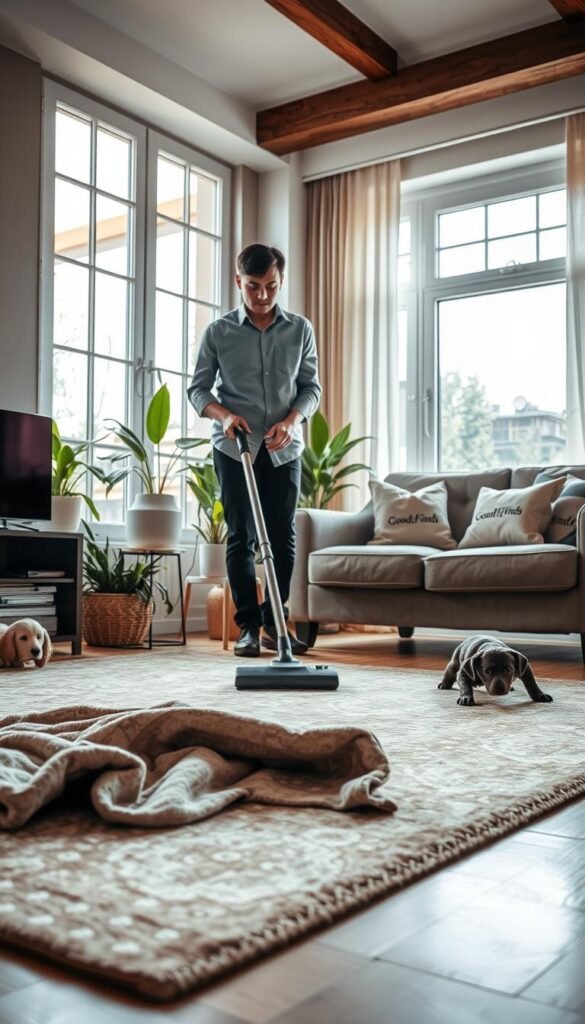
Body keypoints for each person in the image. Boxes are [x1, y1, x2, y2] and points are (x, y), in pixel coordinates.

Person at [188, 243, 322, 657]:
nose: (262, 295)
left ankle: (272, 622)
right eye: (253, 286)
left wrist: (292, 421)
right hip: (235, 449)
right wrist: (224, 416)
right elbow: (197, 390)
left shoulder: (300, 329)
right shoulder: (219, 332)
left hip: (284, 448)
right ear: (238, 282)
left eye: (271, 286)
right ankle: (248, 626)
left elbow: (310, 389)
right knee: (242, 537)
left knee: (282, 541)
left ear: (281, 281)